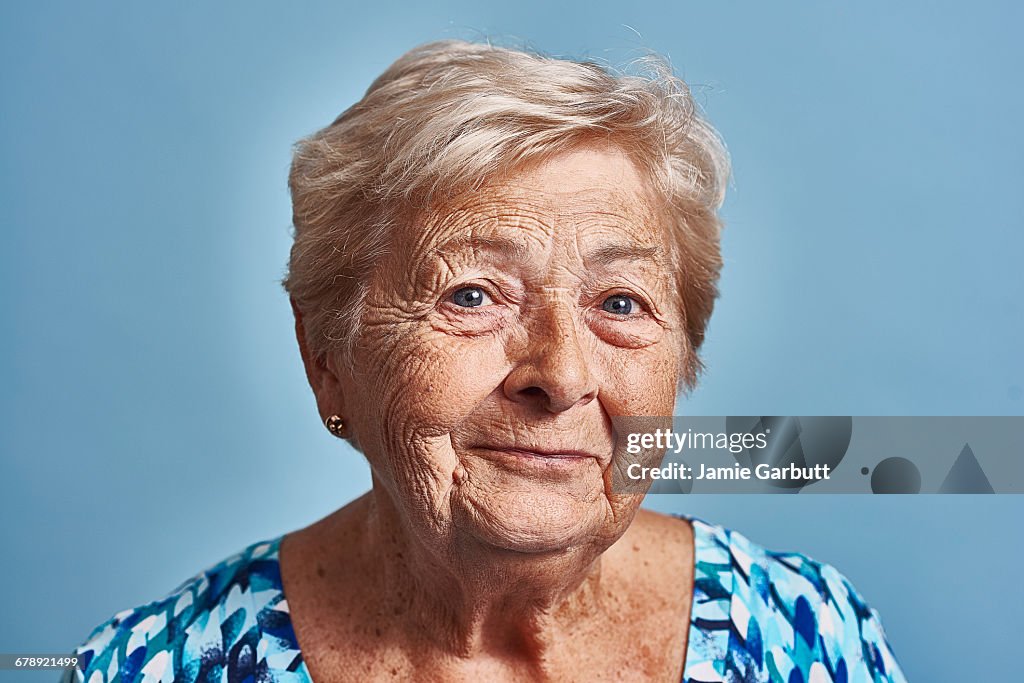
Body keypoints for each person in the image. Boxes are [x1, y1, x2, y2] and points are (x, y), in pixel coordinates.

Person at [63, 40, 906, 682]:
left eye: (620, 302)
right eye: (471, 295)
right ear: (327, 357)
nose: (563, 375)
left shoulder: (807, 634)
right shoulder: (153, 664)